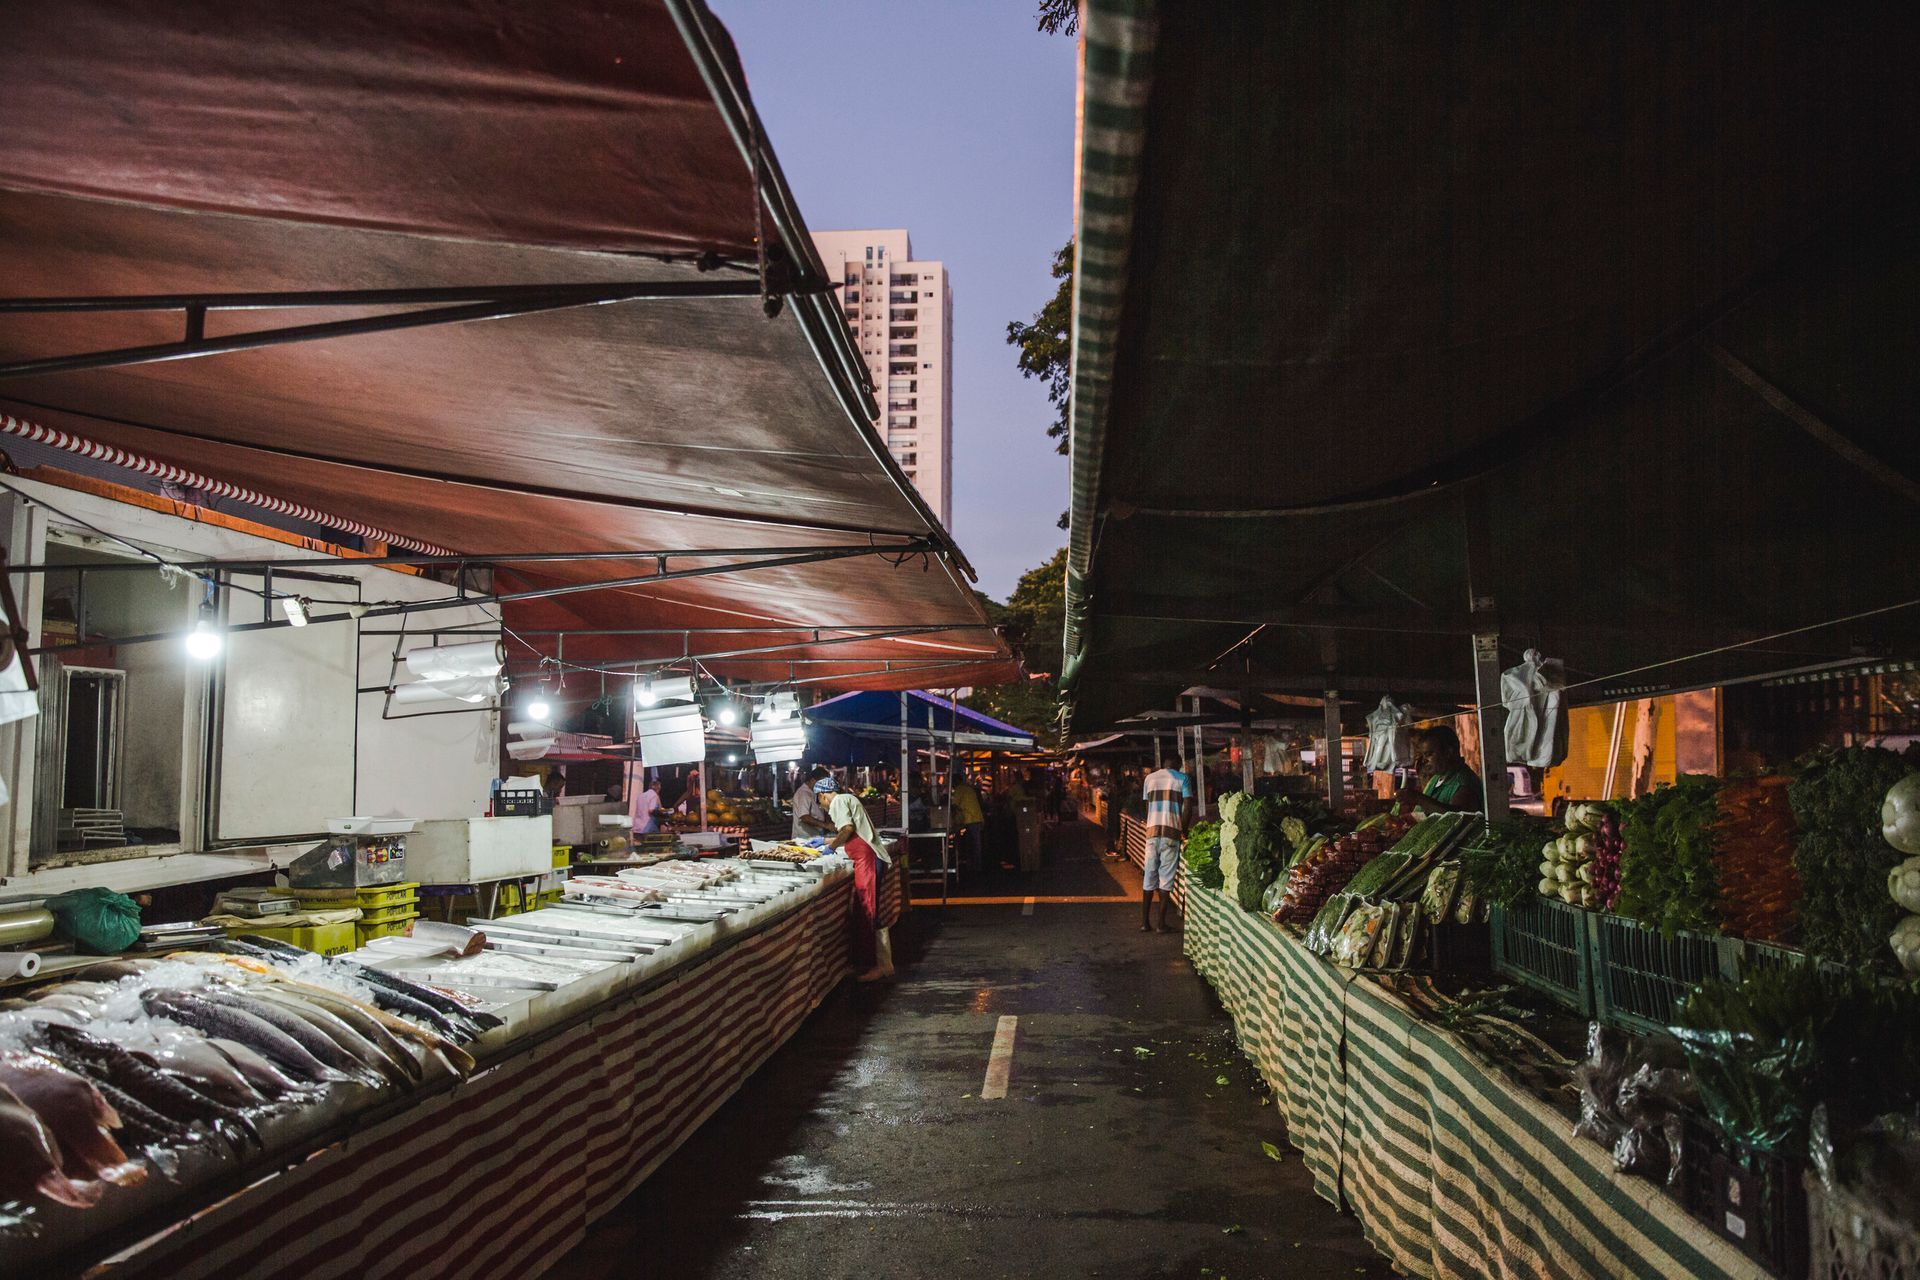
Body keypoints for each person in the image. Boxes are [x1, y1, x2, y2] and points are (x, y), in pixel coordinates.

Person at [822, 774, 891, 981]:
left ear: (823, 795)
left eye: (820, 800)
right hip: (867, 860)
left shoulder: (839, 800)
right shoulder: (848, 799)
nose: (822, 805)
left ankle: (876, 966)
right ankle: (881, 964)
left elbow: (847, 829)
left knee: (867, 910)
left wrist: (830, 847)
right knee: (866, 910)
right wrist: (825, 841)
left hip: (867, 861)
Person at [1140, 755, 1194, 932]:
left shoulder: (1149, 778)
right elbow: (1188, 805)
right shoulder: (1182, 778)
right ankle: (1161, 924)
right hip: (1171, 832)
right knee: (1166, 879)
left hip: (1152, 832)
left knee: (1149, 876)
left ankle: (1144, 923)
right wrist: (1183, 829)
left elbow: (1148, 807)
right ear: (1178, 764)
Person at [1396, 726, 1482, 814]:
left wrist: (1418, 799)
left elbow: (1458, 816)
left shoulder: (1463, 782)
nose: (1424, 760)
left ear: (1449, 752)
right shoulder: (1437, 777)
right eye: (1423, 755)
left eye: (1429, 754)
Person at [950, 770, 985, 875]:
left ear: (955, 782)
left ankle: (973, 866)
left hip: (969, 819)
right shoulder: (968, 788)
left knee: (972, 844)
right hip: (977, 817)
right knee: (975, 844)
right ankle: (976, 866)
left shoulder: (959, 790)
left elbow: (954, 806)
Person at [791, 764, 836, 840]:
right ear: (812, 780)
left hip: (814, 836)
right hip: (803, 838)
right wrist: (826, 825)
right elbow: (804, 817)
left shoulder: (814, 792)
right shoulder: (804, 793)